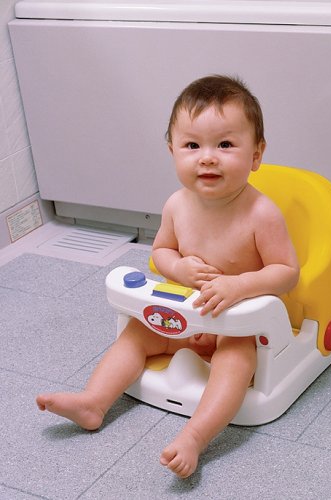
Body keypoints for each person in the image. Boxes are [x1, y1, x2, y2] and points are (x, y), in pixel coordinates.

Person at [36, 75, 299, 478]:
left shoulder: (261, 214)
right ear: (172, 150)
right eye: (192, 145)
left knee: (237, 360)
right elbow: (161, 253)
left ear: (256, 154)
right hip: (187, 314)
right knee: (137, 333)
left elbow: (286, 273)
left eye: (225, 145)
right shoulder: (177, 205)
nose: (207, 158)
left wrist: (239, 285)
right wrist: (179, 267)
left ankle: (195, 436)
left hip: (235, 325)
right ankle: (94, 401)